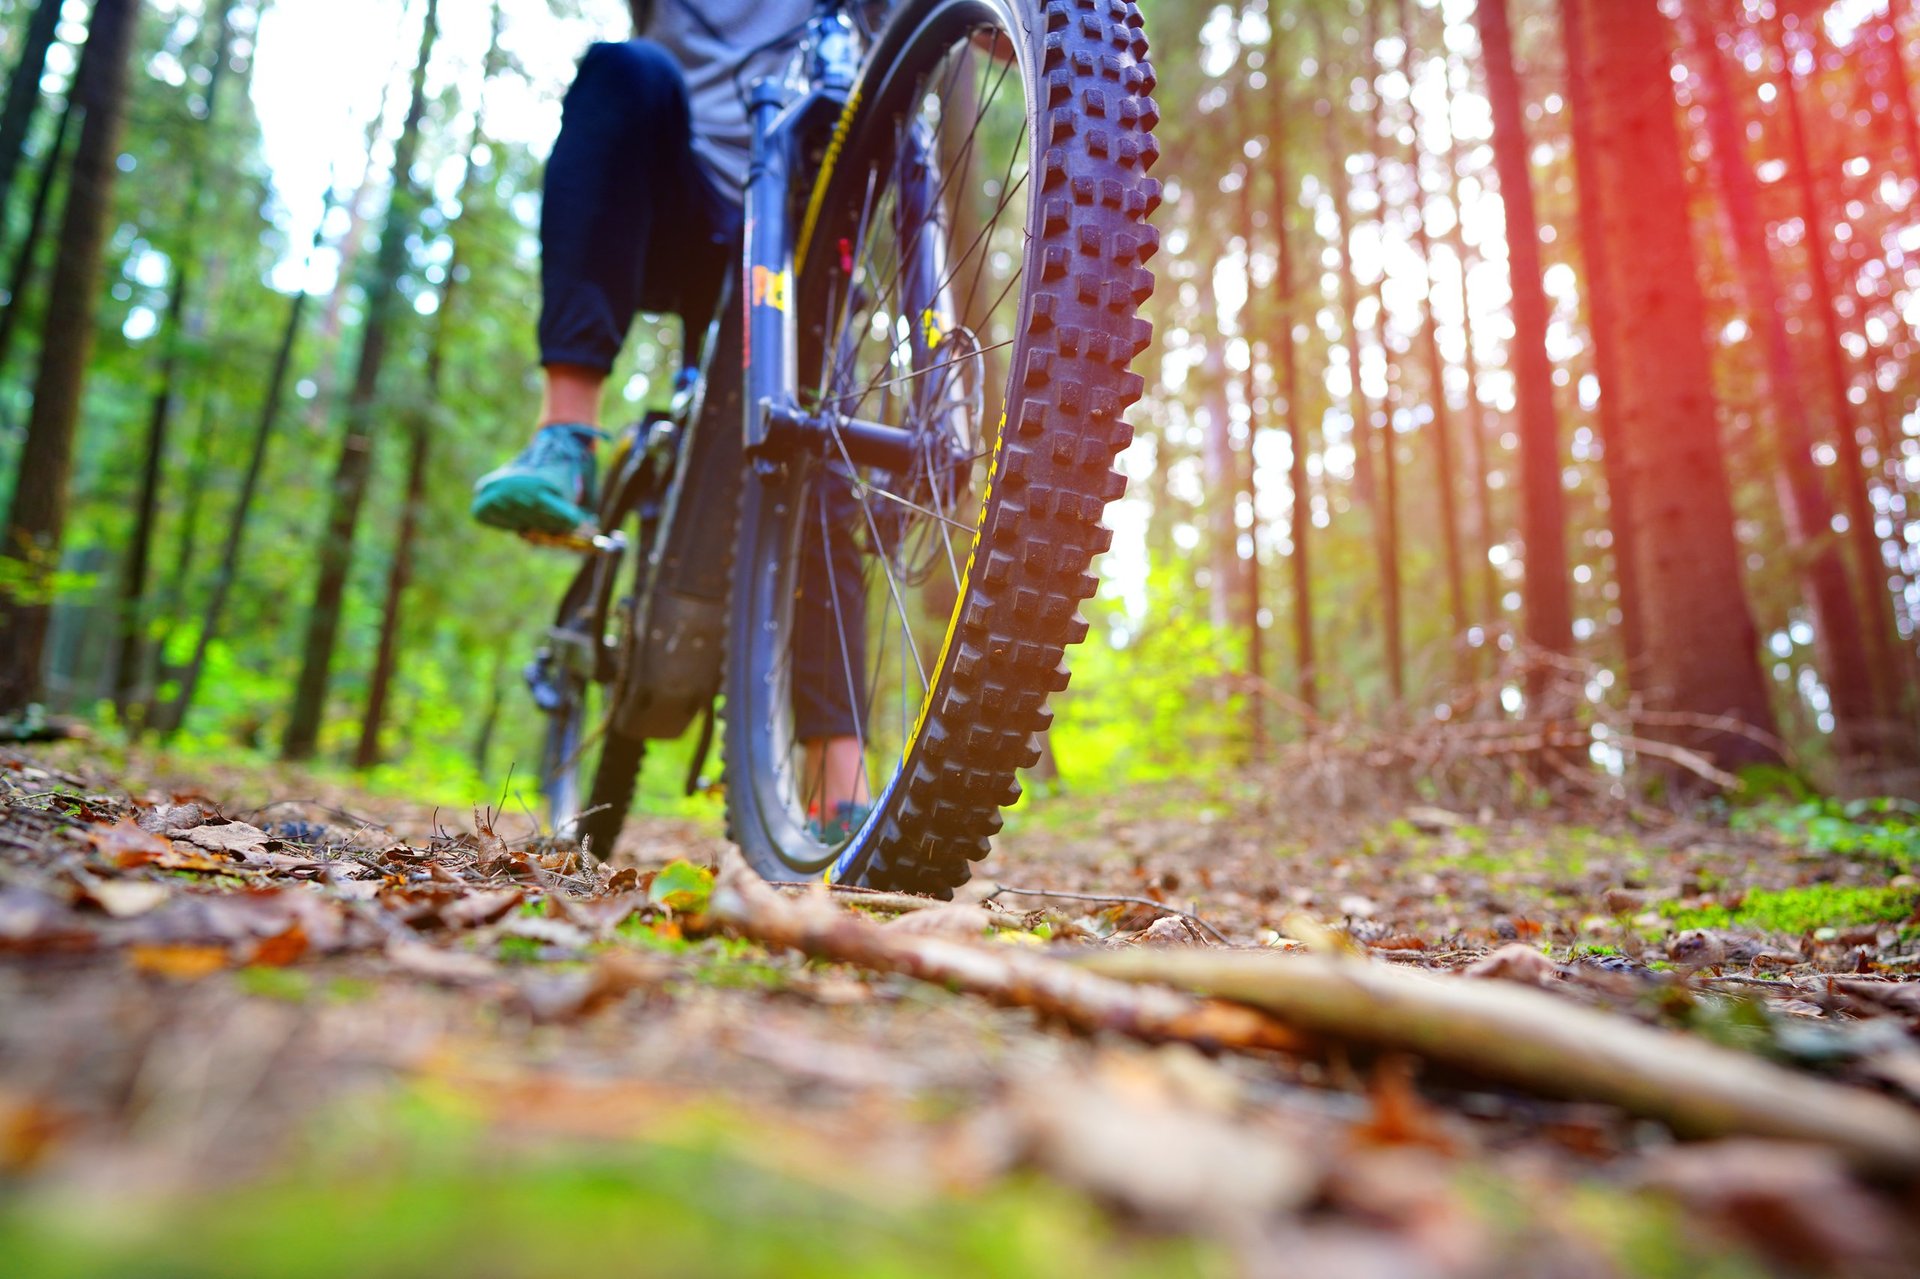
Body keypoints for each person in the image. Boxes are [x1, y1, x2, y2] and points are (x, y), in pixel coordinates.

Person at [472, 0, 871, 837]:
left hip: (802, 220)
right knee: (626, 69)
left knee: (821, 453)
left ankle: (839, 786)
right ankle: (564, 439)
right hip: (683, 205)